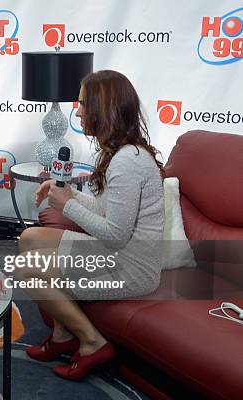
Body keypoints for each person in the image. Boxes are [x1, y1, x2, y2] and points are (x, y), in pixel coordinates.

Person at [16, 70, 165, 380]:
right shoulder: (119, 152)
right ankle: (61, 336)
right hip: (121, 253)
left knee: (25, 271)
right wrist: (67, 193)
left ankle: (91, 342)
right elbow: (104, 211)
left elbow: (115, 235)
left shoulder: (128, 160)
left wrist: (66, 204)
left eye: (83, 103)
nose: (78, 111)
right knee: (30, 238)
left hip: (131, 268)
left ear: (103, 108)